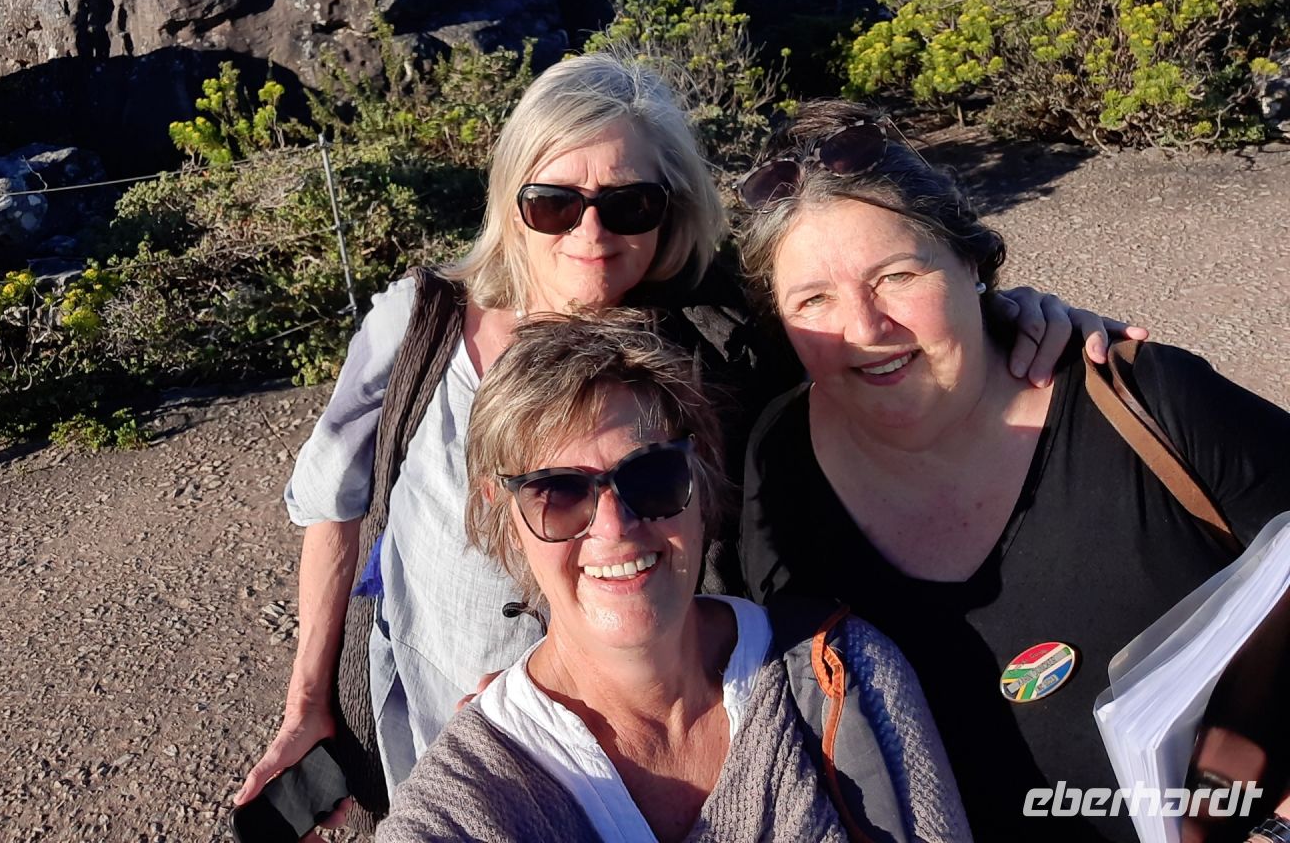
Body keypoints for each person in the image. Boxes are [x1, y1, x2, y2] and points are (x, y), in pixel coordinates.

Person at [234, 53, 1115, 814]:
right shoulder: (422, 325)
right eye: (553, 203)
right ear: (511, 200)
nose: (591, 233)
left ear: (673, 209)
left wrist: (1007, 318)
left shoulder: (720, 340)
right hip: (445, 712)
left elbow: (869, 331)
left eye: (629, 204)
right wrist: (308, 701)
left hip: (656, 747)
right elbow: (333, 502)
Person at [734, 99, 1290, 841]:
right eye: (814, 299)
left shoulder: (1144, 404)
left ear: (969, 260)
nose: (865, 329)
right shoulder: (779, 466)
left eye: (897, 275)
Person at [379, 312, 971, 843]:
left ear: (702, 480)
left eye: (652, 475)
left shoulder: (845, 676)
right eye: (557, 492)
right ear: (506, 518)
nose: (614, 526)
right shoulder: (471, 795)